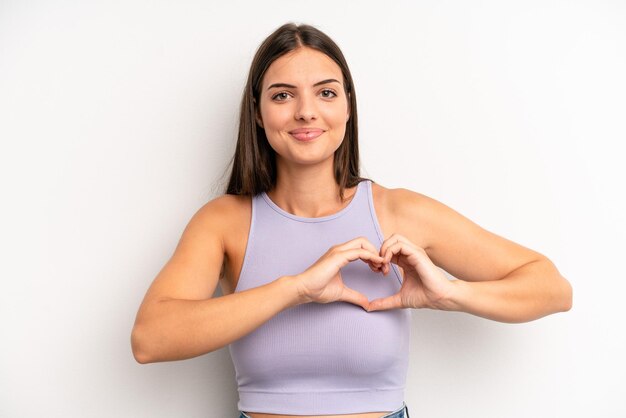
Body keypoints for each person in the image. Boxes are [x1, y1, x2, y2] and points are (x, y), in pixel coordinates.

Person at [130, 22, 573, 418]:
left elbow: (552, 289)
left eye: (325, 92)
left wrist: (449, 293)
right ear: (259, 112)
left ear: (347, 106)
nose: (306, 111)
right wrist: (296, 288)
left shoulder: (397, 211)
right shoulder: (223, 222)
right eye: (283, 95)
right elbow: (150, 339)